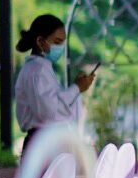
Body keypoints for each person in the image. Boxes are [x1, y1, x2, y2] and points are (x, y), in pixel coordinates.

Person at [13, 14, 94, 151]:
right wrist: (76, 88)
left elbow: (57, 108)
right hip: (43, 143)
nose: (61, 47)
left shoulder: (41, 69)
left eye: (63, 42)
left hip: (49, 141)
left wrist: (77, 88)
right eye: (57, 42)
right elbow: (48, 112)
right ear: (40, 41)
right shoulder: (37, 71)